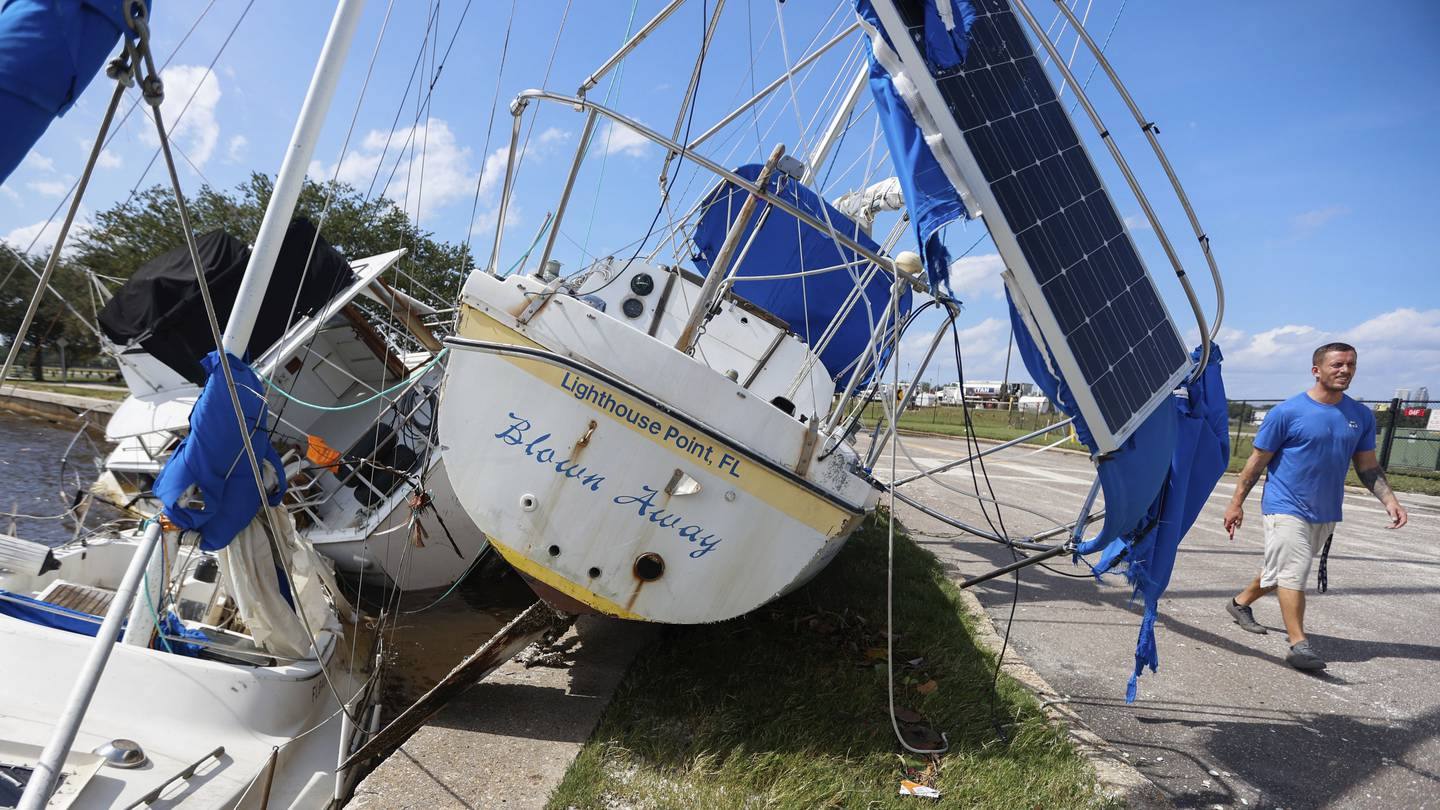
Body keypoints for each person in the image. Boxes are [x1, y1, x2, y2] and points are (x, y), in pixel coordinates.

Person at [1222, 342, 1408, 671]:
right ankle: (1299, 644)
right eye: (1337, 364)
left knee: (1279, 570)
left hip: (1325, 510)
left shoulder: (1360, 416)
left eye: (1351, 365)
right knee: (1294, 572)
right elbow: (1254, 465)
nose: (1345, 370)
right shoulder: (1287, 413)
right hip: (1284, 505)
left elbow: (1367, 466)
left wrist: (1390, 500)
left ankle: (1239, 604)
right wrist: (1236, 503)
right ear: (1316, 370)